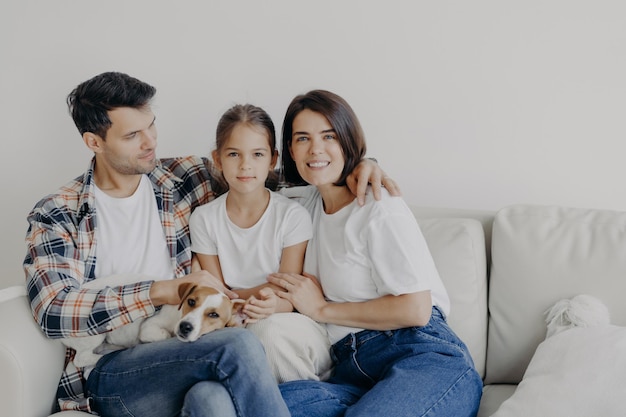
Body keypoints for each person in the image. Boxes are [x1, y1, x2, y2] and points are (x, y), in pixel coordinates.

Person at [23, 72, 398, 416]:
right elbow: (54, 310)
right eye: (132, 135)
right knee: (238, 344)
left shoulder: (184, 177)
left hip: (190, 349)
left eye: (150, 125)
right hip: (114, 368)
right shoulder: (58, 213)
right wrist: (160, 291)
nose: (150, 142)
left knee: (212, 401)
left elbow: (276, 172)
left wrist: (360, 165)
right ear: (94, 142)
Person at [267, 90, 483, 417]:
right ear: (290, 152)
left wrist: (322, 309)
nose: (316, 149)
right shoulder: (305, 204)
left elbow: (416, 309)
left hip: (420, 355)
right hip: (351, 374)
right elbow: (247, 175)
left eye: (330, 136)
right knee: (257, 405)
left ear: (349, 140)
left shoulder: (378, 207)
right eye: (302, 138)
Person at [189, 104, 333, 382]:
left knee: (266, 331)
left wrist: (255, 299)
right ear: (217, 159)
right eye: (234, 154)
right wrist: (254, 295)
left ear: (272, 159)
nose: (245, 165)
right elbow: (217, 294)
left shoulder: (292, 215)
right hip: (232, 321)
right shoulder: (204, 218)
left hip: (286, 320)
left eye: (257, 154)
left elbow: (288, 290)